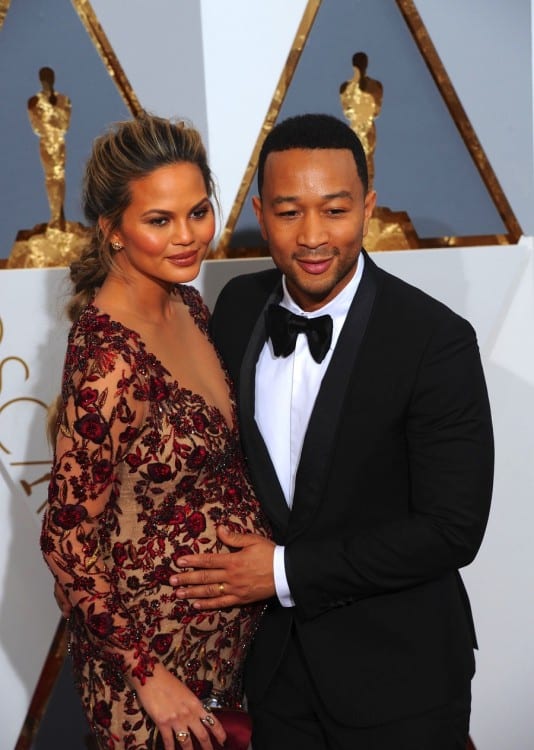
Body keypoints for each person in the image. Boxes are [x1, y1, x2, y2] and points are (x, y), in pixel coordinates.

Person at [169, 113, 494, 749]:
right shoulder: (236, 309)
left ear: (368, 208)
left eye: (335, 210)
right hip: (276, 678)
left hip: (402, 677)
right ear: (261, 214)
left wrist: (283, 572)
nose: (313, 236)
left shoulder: (435, 340)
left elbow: (452, 528)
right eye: (289, 213)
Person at [41, 113, 271, 750]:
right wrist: (150, 677)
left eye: (198, 212)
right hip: (156, 687)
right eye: (160, 220)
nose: (188, 237)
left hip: (226, 658)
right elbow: (65, 540)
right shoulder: (109, 359)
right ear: (113, 229)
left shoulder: (187, 305)